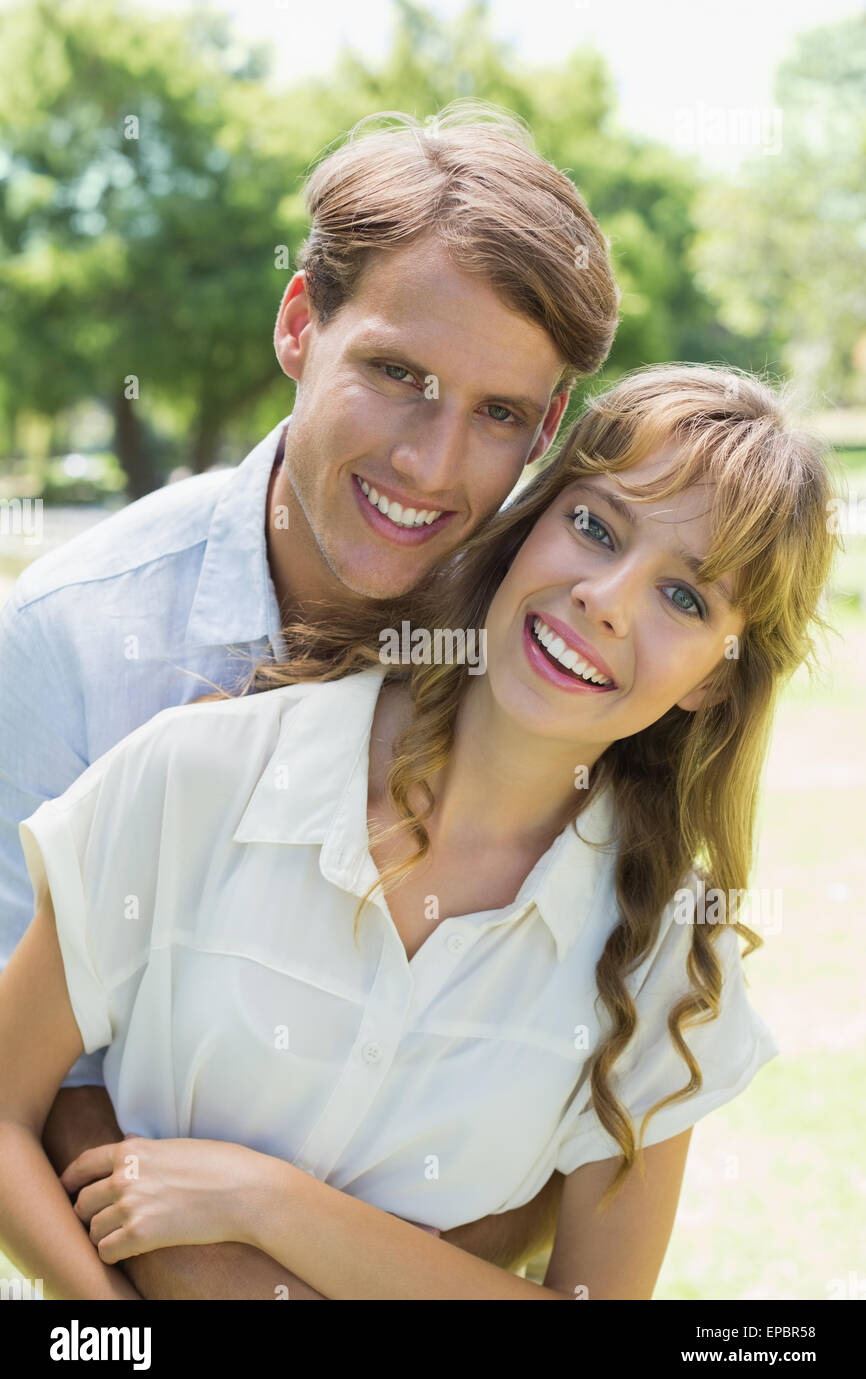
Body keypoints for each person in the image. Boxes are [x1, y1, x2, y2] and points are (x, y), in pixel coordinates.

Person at [0, 364, 842, 1299]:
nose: (605, 598)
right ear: (528, 529)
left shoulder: (671, 959)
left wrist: (270, 1205)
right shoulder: (202, 775)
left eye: (685, 599)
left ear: (714, 681)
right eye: (595, 527)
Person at [0, 102, 619, 1296]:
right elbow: (36, 1083)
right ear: (299, 324)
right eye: (396, 373)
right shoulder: (66, 637)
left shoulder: (553, 663)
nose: (431, 466)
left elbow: (579, 1112)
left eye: (497, 415)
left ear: (546, 430)